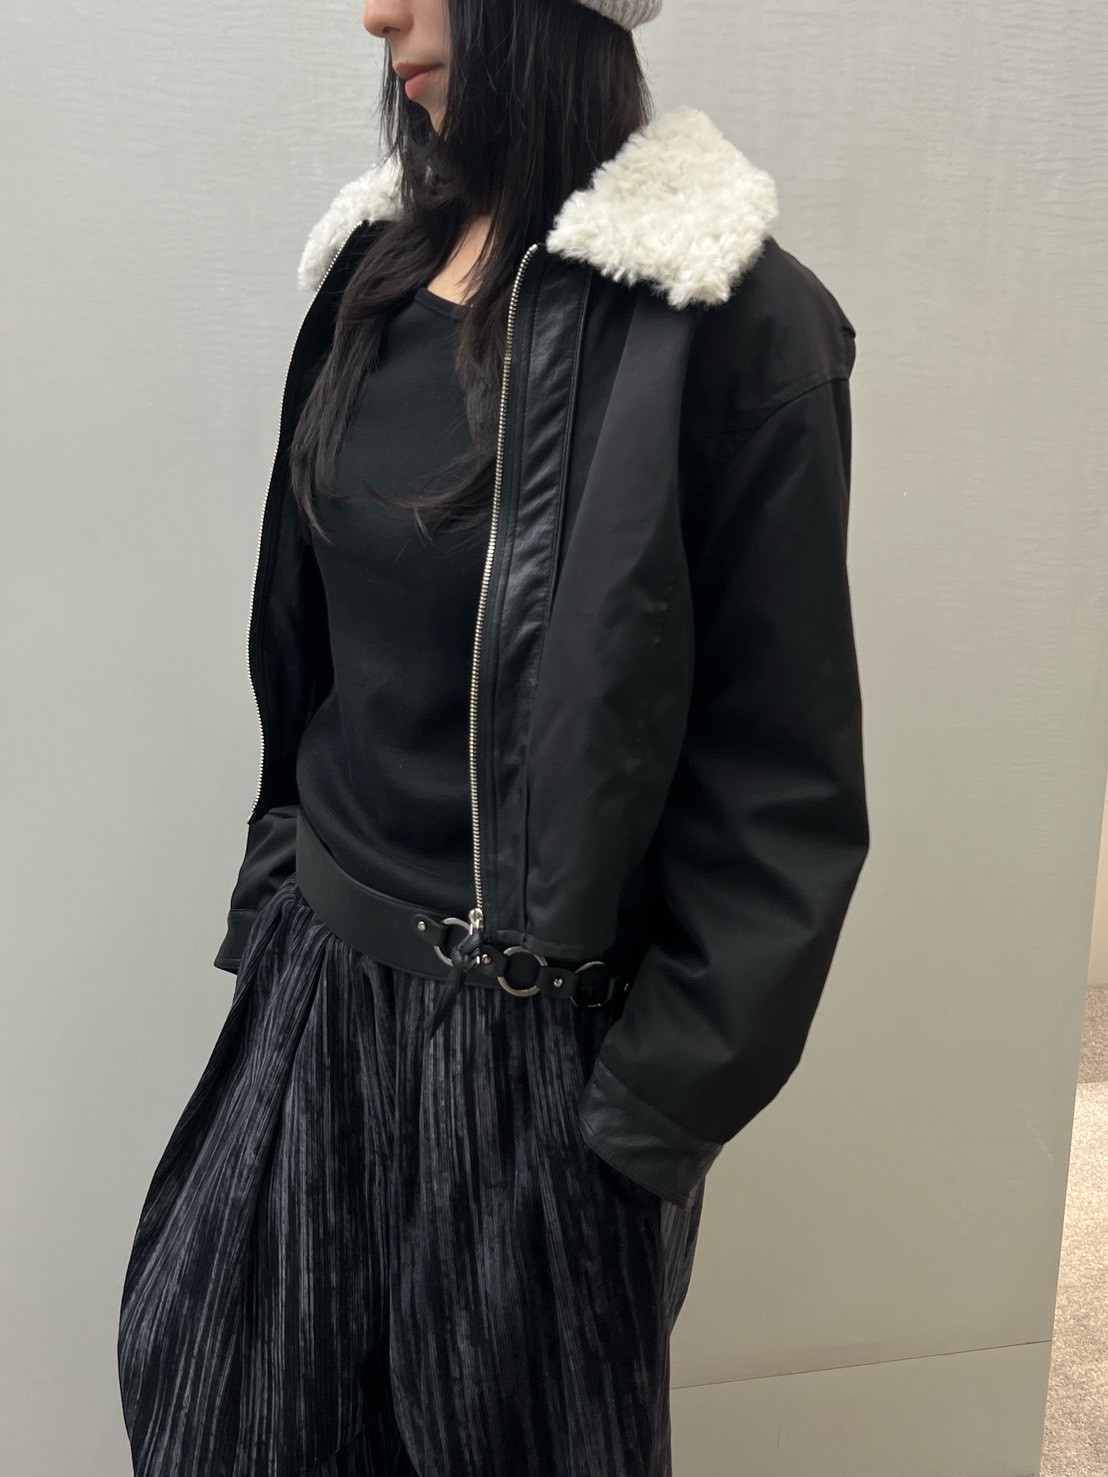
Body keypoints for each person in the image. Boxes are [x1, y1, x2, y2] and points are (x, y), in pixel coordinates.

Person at [116, 0, 869, 1472]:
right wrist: (278, 893)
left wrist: (641, 1119)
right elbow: (311, 649)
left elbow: (781, 784)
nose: (377, 13)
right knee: (213, 1413)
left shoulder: (737, 328)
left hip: (538, 1063)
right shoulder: (370, 275)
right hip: (314, 998)